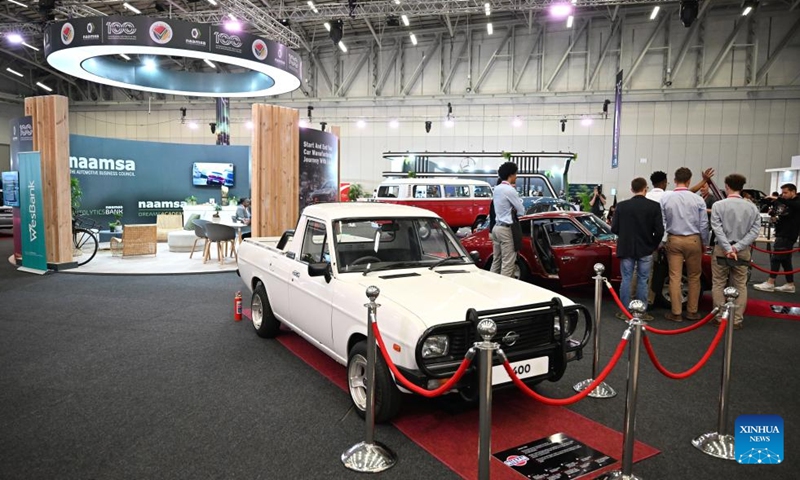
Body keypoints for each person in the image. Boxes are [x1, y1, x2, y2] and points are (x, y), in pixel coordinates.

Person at [710, 174, 761, 330]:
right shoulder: (752, 207)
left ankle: (720, 317)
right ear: (742, 187)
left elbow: (716, 229)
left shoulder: (718, 205)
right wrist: (737, 248)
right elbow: (755, 231)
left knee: (718, 282)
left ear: (726, 186)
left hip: (721, 250)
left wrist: (727, 247)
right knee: (740, 284)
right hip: (743, 250)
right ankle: (737, 319)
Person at [660, 167, 709, 322]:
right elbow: (704, 225)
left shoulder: (666, 198)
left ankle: (676, 313)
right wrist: (705, 242)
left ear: (675, 180)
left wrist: (663, 240)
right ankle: (692, 311)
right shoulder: (698, 199)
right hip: (693, 240)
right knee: (695, 276)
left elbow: (662, 222)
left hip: (674, 239)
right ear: (689, 181)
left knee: (675, 276)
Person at [611, 178, 663, 321]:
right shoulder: (654, 206)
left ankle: (624, 311)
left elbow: (614, 228)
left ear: (631, 189)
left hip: (626, 247)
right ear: (645, 188)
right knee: (643, 280)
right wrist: (653, 245)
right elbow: (659, 231)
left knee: (626, 278)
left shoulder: (621, 206)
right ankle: (641, 311)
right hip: (646, 248)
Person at [754, 183, 799, 293]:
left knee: (776, 258)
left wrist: (776, 198)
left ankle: (770, 282)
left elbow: (793, 206)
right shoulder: (785, 204)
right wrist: (773, 216)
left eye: (785, 193)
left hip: (788, 234)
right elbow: (781, 218)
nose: (783, 195)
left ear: (793, 192)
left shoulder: (797, 202)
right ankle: (790, 284)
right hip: (781, 232)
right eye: (782, 193)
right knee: (785, 260)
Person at [490, 162, 525, 277]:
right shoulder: (510, 190)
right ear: (511, 175)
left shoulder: (496, 189)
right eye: (516, 174)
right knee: (508, 263)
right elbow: (521, 211)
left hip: (496, 228)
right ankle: (503, 291)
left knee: (496, 260)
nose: (517, 176)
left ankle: (491, 285)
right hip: (505, 229)